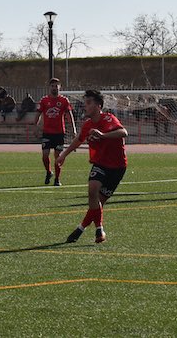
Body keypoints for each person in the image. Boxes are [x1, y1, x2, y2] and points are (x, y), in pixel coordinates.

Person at [57, 90, 127, 244]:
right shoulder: (87, 125)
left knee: (98, 204)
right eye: (85, 103)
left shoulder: (108, 118)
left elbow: (123, 132)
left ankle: (81, 228)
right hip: (100, 164)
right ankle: (98, 229)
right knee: (92, 191)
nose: (85, 106)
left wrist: (102, 135)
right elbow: (78, 140)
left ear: (98, 106)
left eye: (88, 103)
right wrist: (63, 155)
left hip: (117, 167)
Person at [34, 78, 77, 186]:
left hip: (59, 133)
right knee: (45, 155)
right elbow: (38, 113)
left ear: (60, 87)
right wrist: (35, 126)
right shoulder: (44, 100)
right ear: (49, 87)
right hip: (47, 132)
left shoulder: (64, 100)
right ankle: (49, 172)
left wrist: (73, 130)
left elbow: (69, 115)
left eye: (56, 85)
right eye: (52, 86)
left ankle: (57, 179)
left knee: (58, 157)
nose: (54, 87)